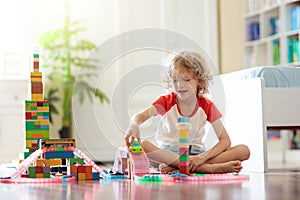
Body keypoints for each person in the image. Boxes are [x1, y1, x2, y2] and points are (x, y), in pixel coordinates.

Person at [124, 50, 250, 174]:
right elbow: (140, 116)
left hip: (196, 155)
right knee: (145, 145)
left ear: (199, 81)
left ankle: (181, 166)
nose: (179, 85)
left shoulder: (206, 106)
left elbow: (225, 140)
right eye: (175, 80)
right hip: (168, 156)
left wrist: (202, 157)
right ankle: (208, 168)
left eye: (186, 80)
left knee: (243, 151)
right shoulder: (166, 102)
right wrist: (134, 124)